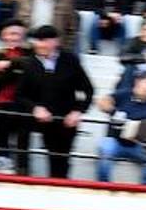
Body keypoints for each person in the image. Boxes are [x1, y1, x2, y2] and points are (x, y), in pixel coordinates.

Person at [14, 24, 93, 179]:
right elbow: (20, 95)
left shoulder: (70, 60)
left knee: (61, 160)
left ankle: (59, 187)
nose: (39, 45)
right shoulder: (30, 63)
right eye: (37, 41)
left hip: (65, 119)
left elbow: (88, 91)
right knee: (21, 126)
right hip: (41, 118)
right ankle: (22, 173)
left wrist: (78, 111)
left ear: (54, 42)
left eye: (44, 41)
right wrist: (35, 108)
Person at [95, 72, 146, 183]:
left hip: (138, 144)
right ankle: (103, 185)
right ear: (138, 82)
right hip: (115, 140)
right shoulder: (124, 94)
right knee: (106, 149)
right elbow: (102, 102)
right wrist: (114, 112)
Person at [0, 19, 32, 174]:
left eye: (16, 34)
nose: (13, 38)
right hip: (3, 100)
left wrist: (9, 65)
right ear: (4, 36)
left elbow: (30, 70)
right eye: (10, 34)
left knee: (22, 129)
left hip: (25, 101)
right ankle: (3, 160)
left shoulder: (29, 52)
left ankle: (22, 167)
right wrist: (14, 69)